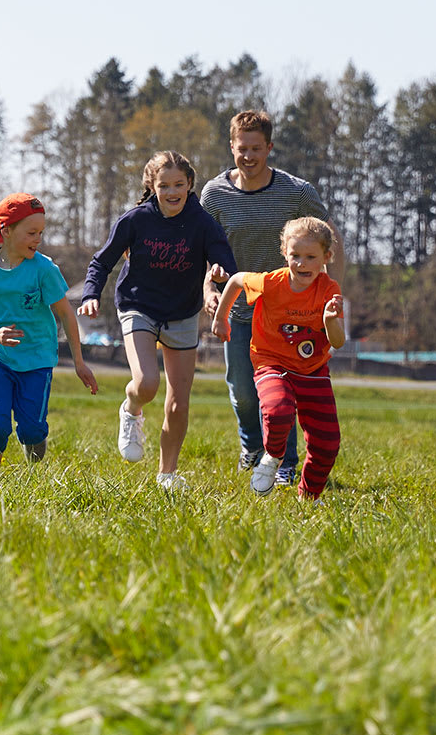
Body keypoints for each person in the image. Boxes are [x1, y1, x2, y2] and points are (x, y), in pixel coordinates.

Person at [200, 109, 343, 487]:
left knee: (286, 389)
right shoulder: (214, 195)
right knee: (244, 392)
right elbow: (202, 249)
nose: (248, 156)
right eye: (241, 148)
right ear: (231, 146)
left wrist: (331, 297)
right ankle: (253, 446)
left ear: (269, 148)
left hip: (289, 310)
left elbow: (328, 239)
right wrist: (209, 290)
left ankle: (284, 464)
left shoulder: (297, 192)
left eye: (256, 149)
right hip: (241, 305)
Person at [79, 150, 236, 489]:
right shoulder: (135, 220)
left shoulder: (203, 223)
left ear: (190, 184)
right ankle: (132, 409)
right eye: (164, 185)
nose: (172, 191)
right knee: (147, 383)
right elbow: (101, 262)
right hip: (139, 305)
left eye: (179, 184)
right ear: (152, 186)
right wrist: (91, 293)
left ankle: (167, 474)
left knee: (179, 401)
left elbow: (226, 263)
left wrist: (221, 272)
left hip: (181, 311)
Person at [0, 192, 99, 472]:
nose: (39, 239)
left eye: (41, 232)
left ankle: (33, 463)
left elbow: (67, 315)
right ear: (6, 231)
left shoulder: (44, 269)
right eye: (32, 232)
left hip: (37, 359)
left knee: (31, 429)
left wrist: (80, 362)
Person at [210, 216, 344, 500]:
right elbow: (235, 280)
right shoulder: (271, 282)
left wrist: (330, 319)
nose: (301, 264)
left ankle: (308, 497)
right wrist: (222, 318)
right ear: (284, 252)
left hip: (313, 370)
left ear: (326, 257)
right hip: (271, 362)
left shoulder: (328, 290)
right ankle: (272, 457)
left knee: (327, 443)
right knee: (278, 409)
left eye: (311, 257)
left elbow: (338, 342)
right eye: (295, 255)